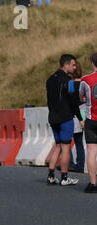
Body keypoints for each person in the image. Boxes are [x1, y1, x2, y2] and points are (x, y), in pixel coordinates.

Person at [46, 54, 82, 186]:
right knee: (66, 147)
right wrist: (80, 118)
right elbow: (73, 101)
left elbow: (49, 100)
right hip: (65, 117)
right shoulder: (70, 81)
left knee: (57, 146)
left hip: (53, 117)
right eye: (73, 64)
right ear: (65, 65)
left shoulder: (50, 79)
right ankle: (64, 177)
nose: (74, 67)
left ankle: (51, 175)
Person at [79, 52, 97, 193]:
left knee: (91, 152)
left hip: (91, 120)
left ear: (92, 63)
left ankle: (93, 183)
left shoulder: (86, 79)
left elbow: (81, 97)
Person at [68, 62, 86, 173]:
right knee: (79, 142)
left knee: (64, 141)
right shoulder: (85, 83)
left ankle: (69, 163)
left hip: (74, 114)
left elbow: (70, 101)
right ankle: (80, 165)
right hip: (85, 113)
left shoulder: (70, 84)